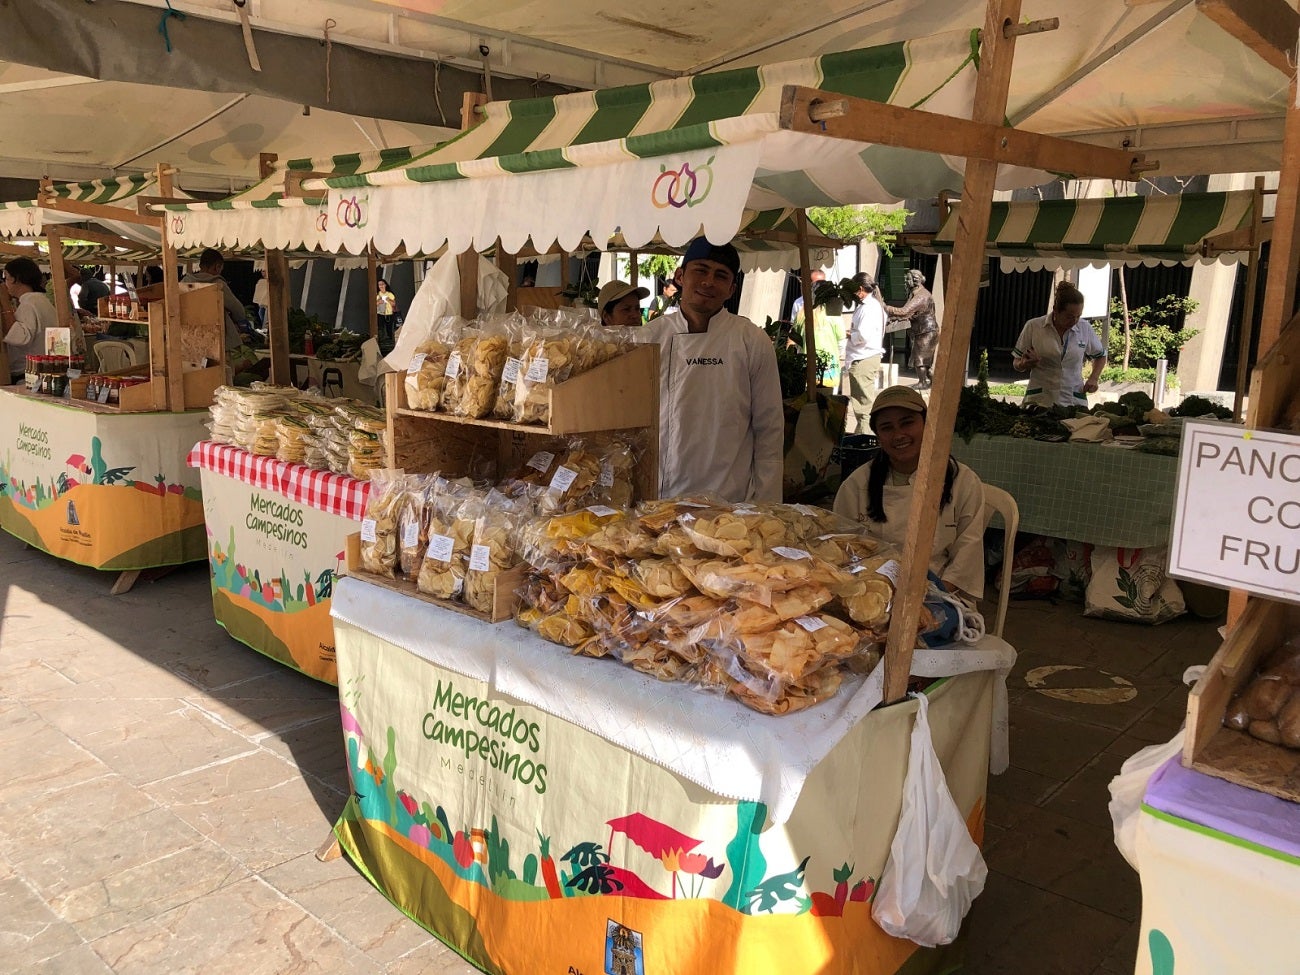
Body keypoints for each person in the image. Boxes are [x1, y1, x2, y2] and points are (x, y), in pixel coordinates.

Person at [639, 236, 784, 502]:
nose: (708, 282)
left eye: (720, 275)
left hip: (728, 503)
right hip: (656, 501)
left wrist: (766, 507)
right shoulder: (648, 338)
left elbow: (769, 428)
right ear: (680, 276)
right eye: (701, 270)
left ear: (731, 289)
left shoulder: (751, 341)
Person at [834, 385, 985, 601]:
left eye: (907, 422)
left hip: (941, 596)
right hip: (872, 596)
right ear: (878, 436)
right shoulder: (856, 486)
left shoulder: (965, 483)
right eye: (887, 428)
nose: (898, 435)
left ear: (927, 423)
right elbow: (842, 552)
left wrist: (926, 598)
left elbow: (965, 561)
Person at [1012, 280, 1106, 408]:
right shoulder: (1034, 326)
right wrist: (1024, 364)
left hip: (1073, 399)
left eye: (1078, 316)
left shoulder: (1085, 328)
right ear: (1055, 310)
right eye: (1069, 316)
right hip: (1040, 399)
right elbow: (1016, 362)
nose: (1074, 321)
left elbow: (1100, 355)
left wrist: (1094, 377)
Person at [183, 248, 268, 383]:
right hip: (217, 339)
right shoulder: (217, 283)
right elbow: (238, 310)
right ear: (217, 266)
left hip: (191, 340)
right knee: (223, 379)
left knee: (197, 380)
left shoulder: (184, 283)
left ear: (200, 266)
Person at [842, 271, 887, 433]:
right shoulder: (873, 306)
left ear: (860, 289)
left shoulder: (870, 307)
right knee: (863, 404)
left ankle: (866, 438)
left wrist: (847, 333)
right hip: (865, 357)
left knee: (863, 407)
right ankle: (864, 435)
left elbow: (863, 335)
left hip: (863, 357)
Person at [3, 257, 57, 385]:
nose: (5, 283)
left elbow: (20, 337)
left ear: (16, 278)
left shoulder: (30, 303)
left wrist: (4, 302)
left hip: (29, 376)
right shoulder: (40, 301)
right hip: (40, 370)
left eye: (7, 277)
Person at [790, 269, 846, 390]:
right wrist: (836, 355)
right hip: (830, 369)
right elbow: (842, 342)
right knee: (829, 405)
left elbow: (796, 341)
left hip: (807, 367)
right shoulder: (833, 312)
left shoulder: (802, 313)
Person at [886, 268, 940, 390]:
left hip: (926, 331)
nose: (906, 281)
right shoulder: (915, 293)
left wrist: (887, 308)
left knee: (920, 359)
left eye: (908, 279)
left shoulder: (921, 296)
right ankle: (934, 382)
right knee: (925, 359)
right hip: (923, 331)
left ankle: (922, 382)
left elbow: (905, 311)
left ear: (915, 280)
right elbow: (908, 313)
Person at [375, 278, 398, 343]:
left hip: (389, 313)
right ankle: (381, 341)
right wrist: (379, 302)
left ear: (385, 285)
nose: (381, 286)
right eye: (379, 285)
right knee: (380, 328)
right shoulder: (377, 294)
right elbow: (373, 304)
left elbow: (394, 304)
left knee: (389, 328)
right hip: (380, 313)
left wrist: (388, 300)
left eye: (382, 284)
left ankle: (390, 341)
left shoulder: (390, 294)